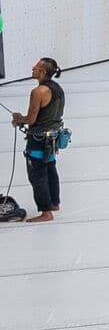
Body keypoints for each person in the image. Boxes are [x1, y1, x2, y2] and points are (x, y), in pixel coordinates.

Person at [7, 57, 64, 222]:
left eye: (36, 67)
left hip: (39, 140)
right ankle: (54, 203)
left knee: (37, 175)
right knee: (51, 170)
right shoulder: (57, 88)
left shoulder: (38, 92)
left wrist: (19, 118)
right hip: (53, 138)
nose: (33, 67)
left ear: (43, 72)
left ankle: (46, 212)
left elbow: (31, 120)